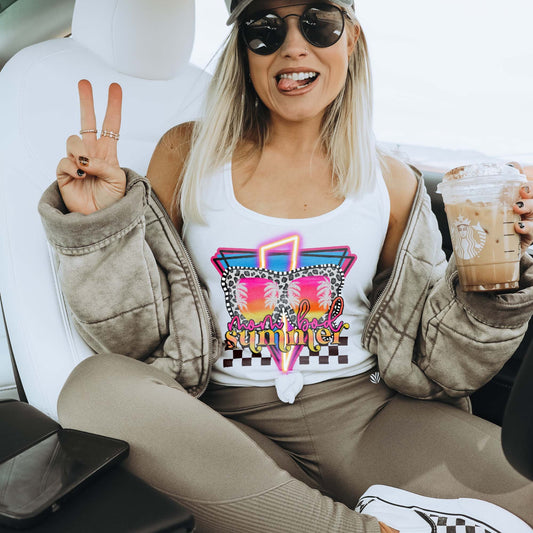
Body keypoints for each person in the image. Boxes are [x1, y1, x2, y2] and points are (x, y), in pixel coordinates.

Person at [37, 0, 533, 531]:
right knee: (94, 387)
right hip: (225, 428)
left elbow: (434, 360)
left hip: (370, 420)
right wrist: (99, 225)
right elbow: (139, 336)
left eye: (319, 23)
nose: (294, 45)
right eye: (265, 28)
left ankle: (287, 515)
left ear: (351, 39)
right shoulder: (187, 152)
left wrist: (499, 270)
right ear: (244, 50)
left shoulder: (392, 181)